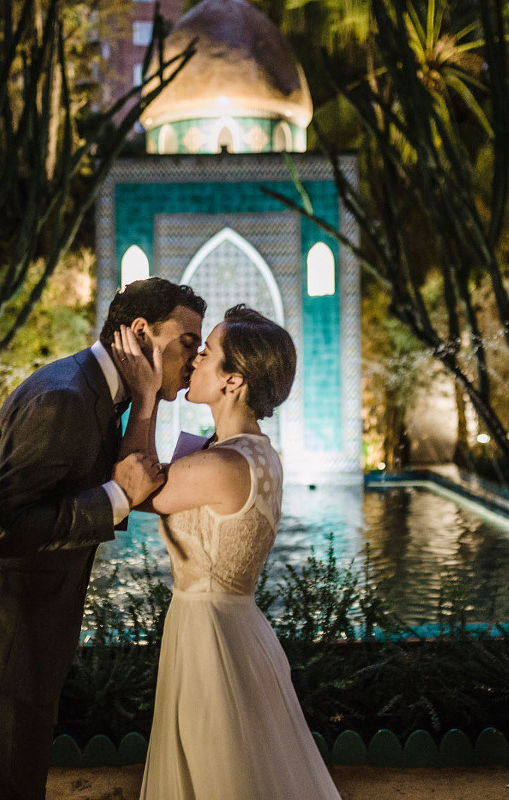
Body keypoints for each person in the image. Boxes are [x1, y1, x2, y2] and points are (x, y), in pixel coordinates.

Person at [0, 277, 206, 800]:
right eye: (187, 342)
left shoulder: (94, 391)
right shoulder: (65, 397)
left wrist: (145, 401)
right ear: (141, 332)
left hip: (7, 634)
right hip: (1, 639)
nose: (196, 357)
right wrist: (116, 497)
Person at [111, 303, 342, 800]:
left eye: (206, 353)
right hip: (234, 630)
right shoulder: (254, 452)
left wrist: (145, 393)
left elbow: (133, 483)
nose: (194, 360)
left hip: (210, 639)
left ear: (233, 380)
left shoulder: (223, 466)